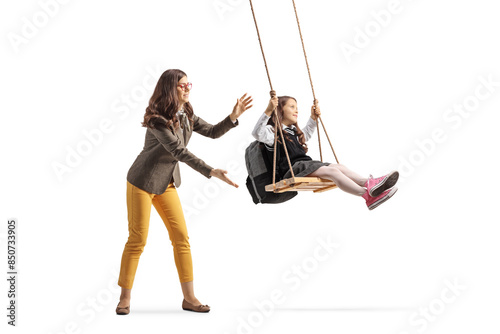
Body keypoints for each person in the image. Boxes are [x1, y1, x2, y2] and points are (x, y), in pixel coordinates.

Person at [116, 69, 253, 315]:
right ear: (170, 88)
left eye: (188, 83)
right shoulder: (157, 119)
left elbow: (211, 132)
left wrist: (233, 117)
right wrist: (211, 171)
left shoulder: (186, 112)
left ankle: (189, 298)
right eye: (182, 85)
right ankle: (124, 298)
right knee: (138, 240)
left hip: (166, 182)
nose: (187, 88)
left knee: (181, 238)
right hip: (142, 181)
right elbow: (178, 151)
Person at [251, 94, 398, 210]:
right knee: (333, 173)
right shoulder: (272, 133)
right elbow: (256, 132)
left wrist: (313, 118)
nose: (297, 110)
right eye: (292, 107)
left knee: (338, 167)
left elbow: (306, 134)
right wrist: (268, 110)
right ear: (280, 110)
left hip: (306, 165)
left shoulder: (294, 131)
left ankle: (369, 183)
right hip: (293, 169)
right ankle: (367, 195)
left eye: (297, 107)